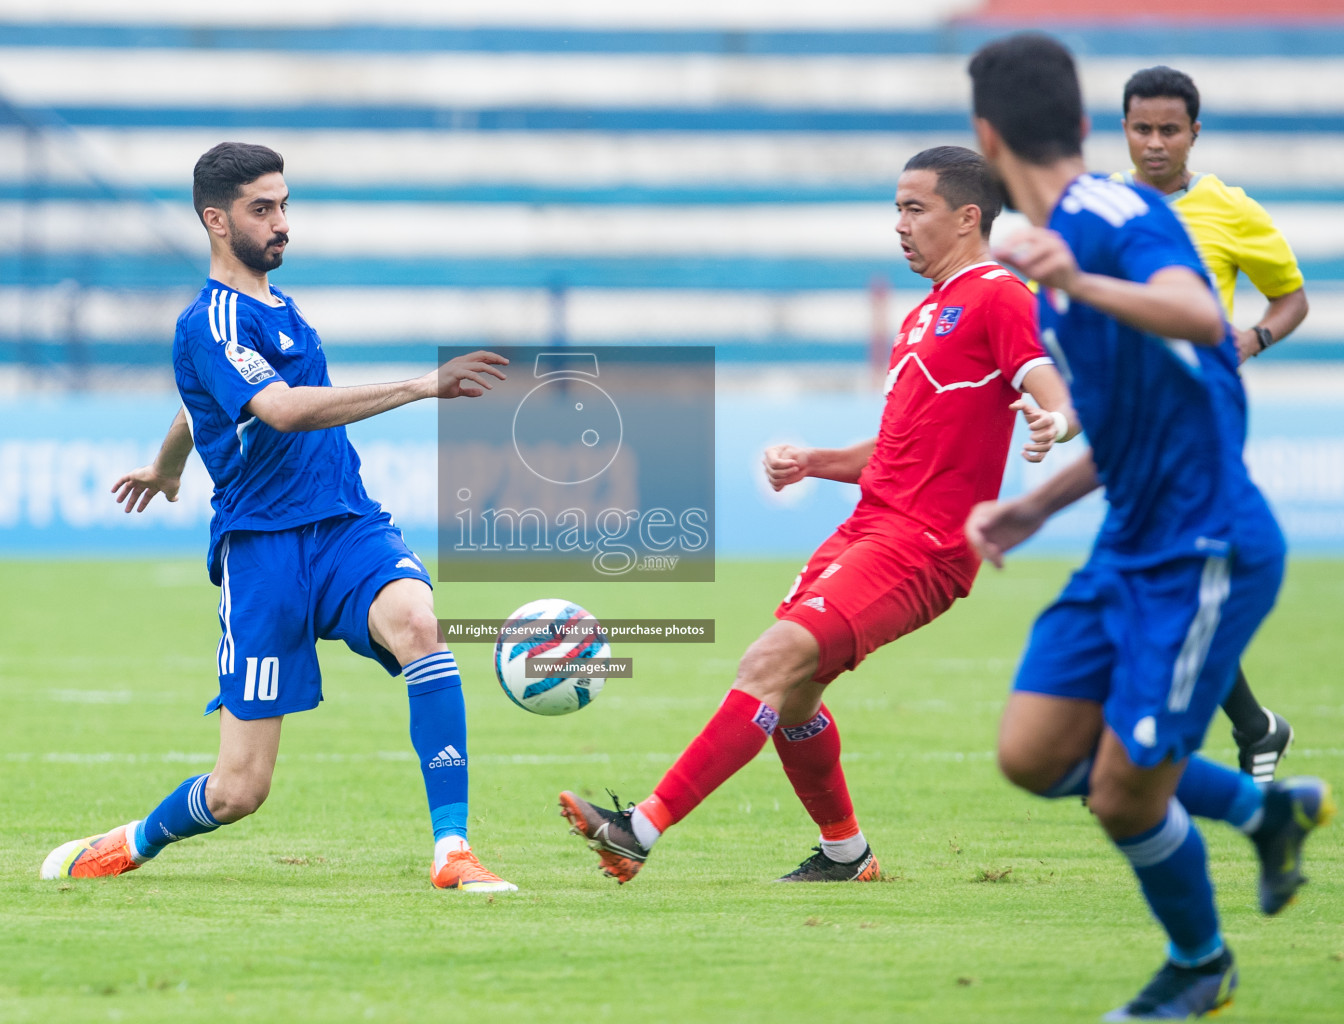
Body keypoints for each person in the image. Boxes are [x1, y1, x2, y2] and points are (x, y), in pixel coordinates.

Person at [559, 145, 1079, 885]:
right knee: (795, 694)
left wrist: (1056, 425)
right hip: (871, 525)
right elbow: (902, 446)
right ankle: (846, 854)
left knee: (769, 662)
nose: (898, 224)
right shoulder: (926, 313)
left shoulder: (999, 296)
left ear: (968, 217)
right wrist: (816, 461)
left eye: (914, 208)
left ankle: (638, 828)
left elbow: (1050, 388)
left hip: (923, 546)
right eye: (895, 208)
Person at [964, 34, 1331, 1021]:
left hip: (1206, 542)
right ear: (1087, 123)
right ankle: (1267, 809)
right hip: (1133, 536)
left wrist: (1076, 281)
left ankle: (1199, 963)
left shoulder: (1112, 218)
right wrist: (1034, 503)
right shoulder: (1058, 262)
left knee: (1123, 793)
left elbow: (1199, 316)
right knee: (1032, 753)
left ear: (985, 135)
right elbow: (1135, 420)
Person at [38, 142, 518, 893]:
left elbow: (200, 405)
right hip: (262, 557)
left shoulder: (278, 310)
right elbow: (281, 410)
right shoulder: (207, 321)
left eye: (285, 204)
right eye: (263, 209)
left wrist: (167, 466)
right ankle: (134, 839)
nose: (281, 222)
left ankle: (451, 849)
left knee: (420, 626)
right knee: (238, 792)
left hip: (343, 525)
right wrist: (424, 386)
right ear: (216, 221)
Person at [1115, 65, 1309, 780]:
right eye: (1143, 129)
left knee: (1165, 574)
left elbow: (1291, 299)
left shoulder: (1230, 210)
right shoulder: (1102, 208)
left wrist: (1251, 338)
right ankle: (1255, 727)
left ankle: (1144, 742)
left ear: (1195, 132)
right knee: (1166, 579)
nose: (1156, 143)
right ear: (1125, 130)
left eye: (1170, 130)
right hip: (1125, 425)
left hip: (1198, 420)